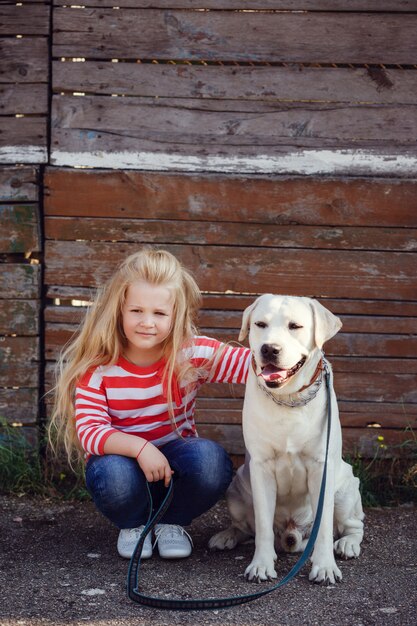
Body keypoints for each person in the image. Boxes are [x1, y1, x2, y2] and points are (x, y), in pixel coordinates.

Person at [49, 248, 250, 561]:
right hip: (122, 472)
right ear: (119, 310)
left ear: (176, 316)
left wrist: (301, 357)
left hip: (174, 471)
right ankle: (135, 524)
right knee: (112, 474)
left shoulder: (190, 354)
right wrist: (141, 449)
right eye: (136, 311)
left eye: (159, 314)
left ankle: (172, 521)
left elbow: (251, 366)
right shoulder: (99, 367)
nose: (147, 322)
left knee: (210, 461)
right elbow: (89, 431)